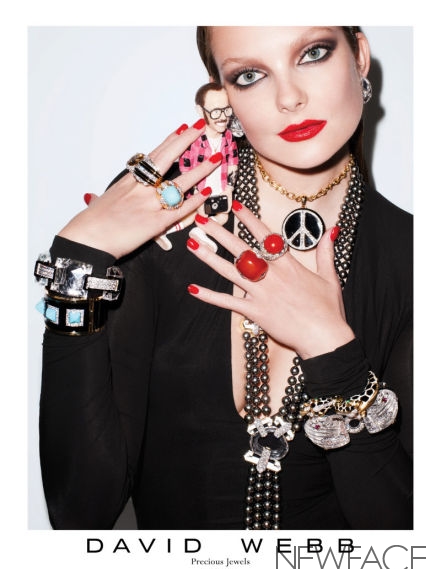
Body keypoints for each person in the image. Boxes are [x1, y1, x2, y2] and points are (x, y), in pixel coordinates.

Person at [36, 26, 412, 530]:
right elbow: (80, 513)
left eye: (313, 53)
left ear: (360, 56)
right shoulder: (162, 221)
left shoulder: (414, 257)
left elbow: (405, 541)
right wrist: (77, 261)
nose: (289, 98)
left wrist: (332, 351)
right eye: (250, 75)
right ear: (223, 93)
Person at [155, 82, 238, 251]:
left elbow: (233, 163)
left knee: (222, 216)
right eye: (216, 111)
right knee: (194, 212)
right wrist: (195, 193)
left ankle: (200, 232)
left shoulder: (228, 137)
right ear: (201, 111)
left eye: (227, 110)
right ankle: (164, 231)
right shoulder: (195, 140)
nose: (223, 117)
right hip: (199, 189)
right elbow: (185, 168)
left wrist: (229, 189)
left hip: (220, 188)